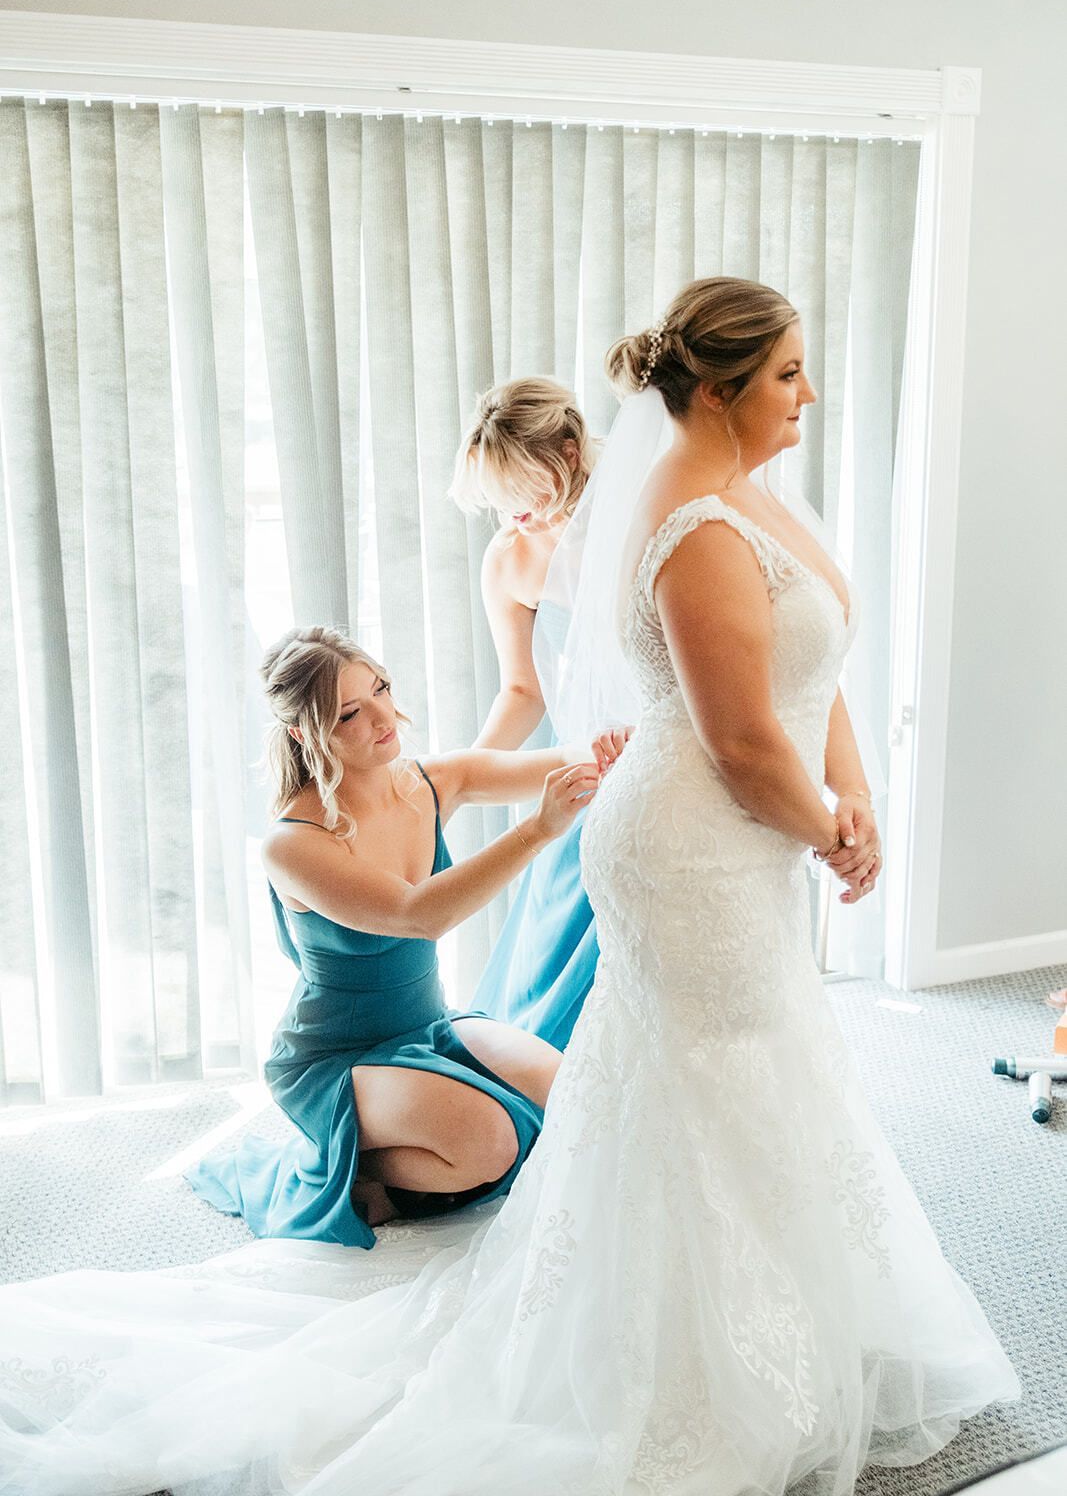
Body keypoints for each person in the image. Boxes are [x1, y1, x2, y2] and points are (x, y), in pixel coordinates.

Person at [0, 281, 1018, 1496]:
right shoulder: (689, 529)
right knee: (707, 1082)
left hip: (755, 838)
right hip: (698, 847)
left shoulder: (754, 501)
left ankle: (778, 1317)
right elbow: (739, 743)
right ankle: (676, 1345)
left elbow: (817, 680)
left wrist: (854, 809)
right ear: (715, 387)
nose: (809, 393)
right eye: (789, 372)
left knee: (751, 1077)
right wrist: (830, 833)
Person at [185, 625, 611, 1248]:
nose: (384, 716)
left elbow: (571, 762)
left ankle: (412, 1132)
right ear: (306, 733)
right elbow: (419, 914)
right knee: (489, 1144)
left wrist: (626, 741)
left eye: (381, 688)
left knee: (571, 1095)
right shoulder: (292, 842)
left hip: (426, 1023)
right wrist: (538, 830)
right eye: (352, 712)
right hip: (333, 1057)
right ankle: (341, 1165)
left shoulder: (432, 781)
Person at [450, 379, 627, 1050]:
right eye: (497, 494)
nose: (512, 512)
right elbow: (523, 692)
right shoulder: (509, 558)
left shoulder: (638, 516)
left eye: (525, 487)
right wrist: (461, 776)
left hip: (669, 738)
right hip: (581, 754)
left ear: (571, 452)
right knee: (557, 932)